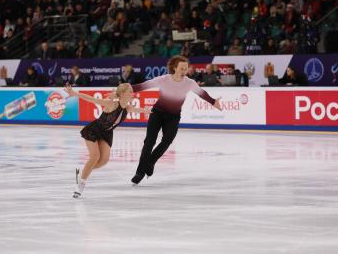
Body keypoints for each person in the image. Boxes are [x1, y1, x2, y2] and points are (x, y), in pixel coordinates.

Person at [130, 55, 222, 184]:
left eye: (186, 68)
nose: (184, 71)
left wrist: (213, 102)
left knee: (167, 140)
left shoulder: (189, 83)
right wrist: (128, 89)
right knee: (149, 142)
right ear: (174, 68)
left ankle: (150, 162)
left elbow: (201, 93)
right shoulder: (163, 79)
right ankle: (140, 172)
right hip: (157, 113)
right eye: (181, 68)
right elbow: (144, 86)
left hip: (173, 117)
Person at [64, 83, 152, 198]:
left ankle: (82, 172)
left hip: (107, 133)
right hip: (94, 130)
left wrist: (146, 111)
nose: (132, 93)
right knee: (94, 156)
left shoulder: (127, 107)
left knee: (104, 160)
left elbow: (139, 110)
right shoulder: (112, 103)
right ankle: (81, 185)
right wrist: (75, 93)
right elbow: (91, 99)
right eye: (130, 91)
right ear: (122, 94)